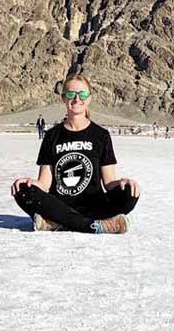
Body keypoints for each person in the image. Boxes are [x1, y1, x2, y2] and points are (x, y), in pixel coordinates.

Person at [10, 72, 139, 234]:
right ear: (63, 98)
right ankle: (95, 226)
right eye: (71, 94)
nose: (77, 99)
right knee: (22, 190)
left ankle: (56, 222)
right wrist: (29, 183)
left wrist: (124, 183)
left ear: (89, 98)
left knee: (129, 194)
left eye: (82, 94)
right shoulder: (52, 136)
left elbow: (109, 182)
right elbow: (44, 183)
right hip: (59, 205)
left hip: (94, 205)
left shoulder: (101, 135)